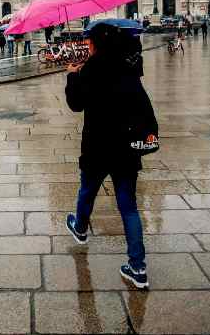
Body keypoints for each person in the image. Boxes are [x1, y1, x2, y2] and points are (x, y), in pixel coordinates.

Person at [64, 23, 153, 289]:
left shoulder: (90, 70)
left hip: (97, 146)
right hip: (126, 148)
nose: (87, 45)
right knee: (129, 206)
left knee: (87, 190)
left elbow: (75, 104)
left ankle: (80, 228)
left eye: (90, 41)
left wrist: (72, 76)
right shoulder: (130, 69)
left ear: (98, 44)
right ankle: (138, 267)